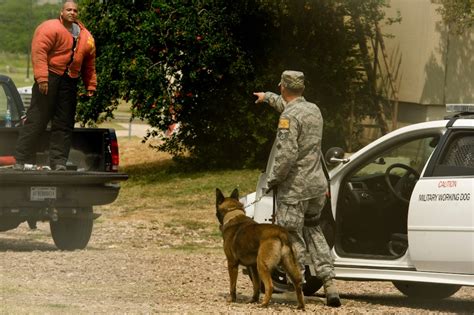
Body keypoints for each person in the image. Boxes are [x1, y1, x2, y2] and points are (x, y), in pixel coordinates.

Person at [253, 70, 341, 307]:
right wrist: (267, 97)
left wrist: (272, 180)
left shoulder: (289, 118)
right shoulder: (313, 110)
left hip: (295, 188)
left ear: (283, 86)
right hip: (316, 186)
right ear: (302, 88)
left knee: (291, 236)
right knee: (314, 231)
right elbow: (287, 105)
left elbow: (286, 154)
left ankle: (297, 284)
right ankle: (330, 282)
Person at [14, 0, 96, 171]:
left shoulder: (85, 37)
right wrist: (42, 78)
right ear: (62, 11)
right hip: (50, 77)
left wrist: (90, 85)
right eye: (68, 9)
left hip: (70, 81)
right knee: (37, 119)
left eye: (75, 10)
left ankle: (59, 162)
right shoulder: (50, 28)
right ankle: (21, 159)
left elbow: (89, 64)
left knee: (64, 123)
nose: (72, 12)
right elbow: (39, 52)